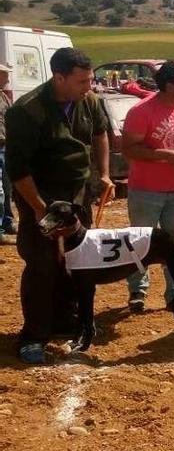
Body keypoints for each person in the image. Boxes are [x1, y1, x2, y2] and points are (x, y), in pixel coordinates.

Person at [5, 48, 113, 363]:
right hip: (40, 195)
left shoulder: (89, 101)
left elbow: (100, 133)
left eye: (90, 80)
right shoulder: (27, 111)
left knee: (76, 260)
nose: (88, 87)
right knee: (42, 264)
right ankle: (34, 335)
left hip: (78, 195)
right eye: (82, 81)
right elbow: (18, 169)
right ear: (59, 77)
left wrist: (104, 173)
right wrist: (39, 208)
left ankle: (66, 321)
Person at [122, 61, 174, 314]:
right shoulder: (141, 111)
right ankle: (138, 289)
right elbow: (129, 149)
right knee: (140, 242)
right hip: (145, 190)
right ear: (169, 86)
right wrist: (164, 155)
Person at [0, 62, 15, 245]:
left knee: (7, 187)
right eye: (4, 75)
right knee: (1, 191)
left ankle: (8, 221)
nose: (8, 78)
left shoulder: (3, 96)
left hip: (5, 146)